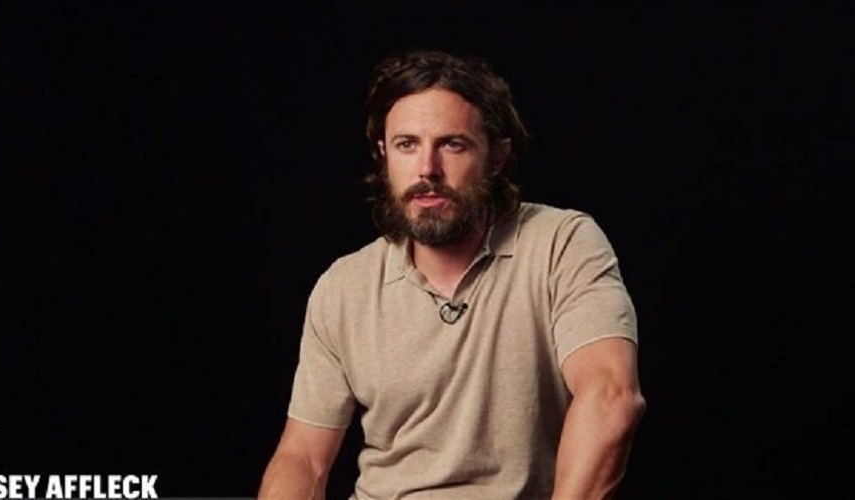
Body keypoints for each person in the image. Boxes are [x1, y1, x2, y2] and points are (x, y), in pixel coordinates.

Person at [258, 48, 646, 499]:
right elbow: (303, 457)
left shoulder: (561, 243)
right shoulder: (343, 287)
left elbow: (611, 397)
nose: (427, 169)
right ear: (384, 155)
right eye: (407, 145)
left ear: (496, 157)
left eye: (452, 144)